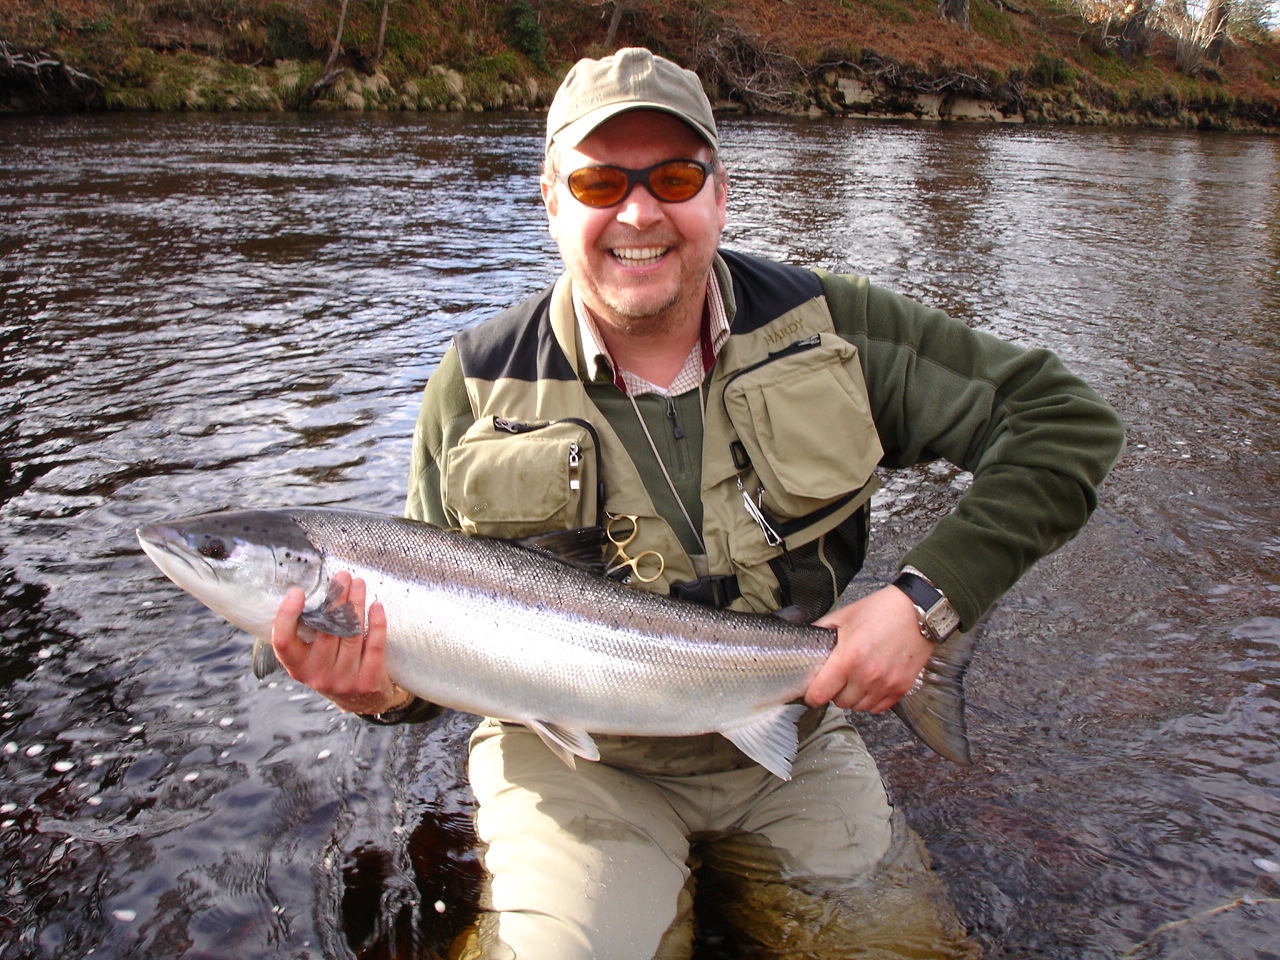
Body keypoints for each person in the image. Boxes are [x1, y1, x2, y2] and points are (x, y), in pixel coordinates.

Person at [270, 47, 1125, 959]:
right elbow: (429, 661)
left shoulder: (833, 327)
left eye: (673, 176)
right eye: (600, 181)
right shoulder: (477, 381)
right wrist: (376, 693)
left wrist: (923, 604)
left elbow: (1065, 424)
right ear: (552, 200)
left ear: (719, 193)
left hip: (787, 731)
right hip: (572, 765)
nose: (639, 212)